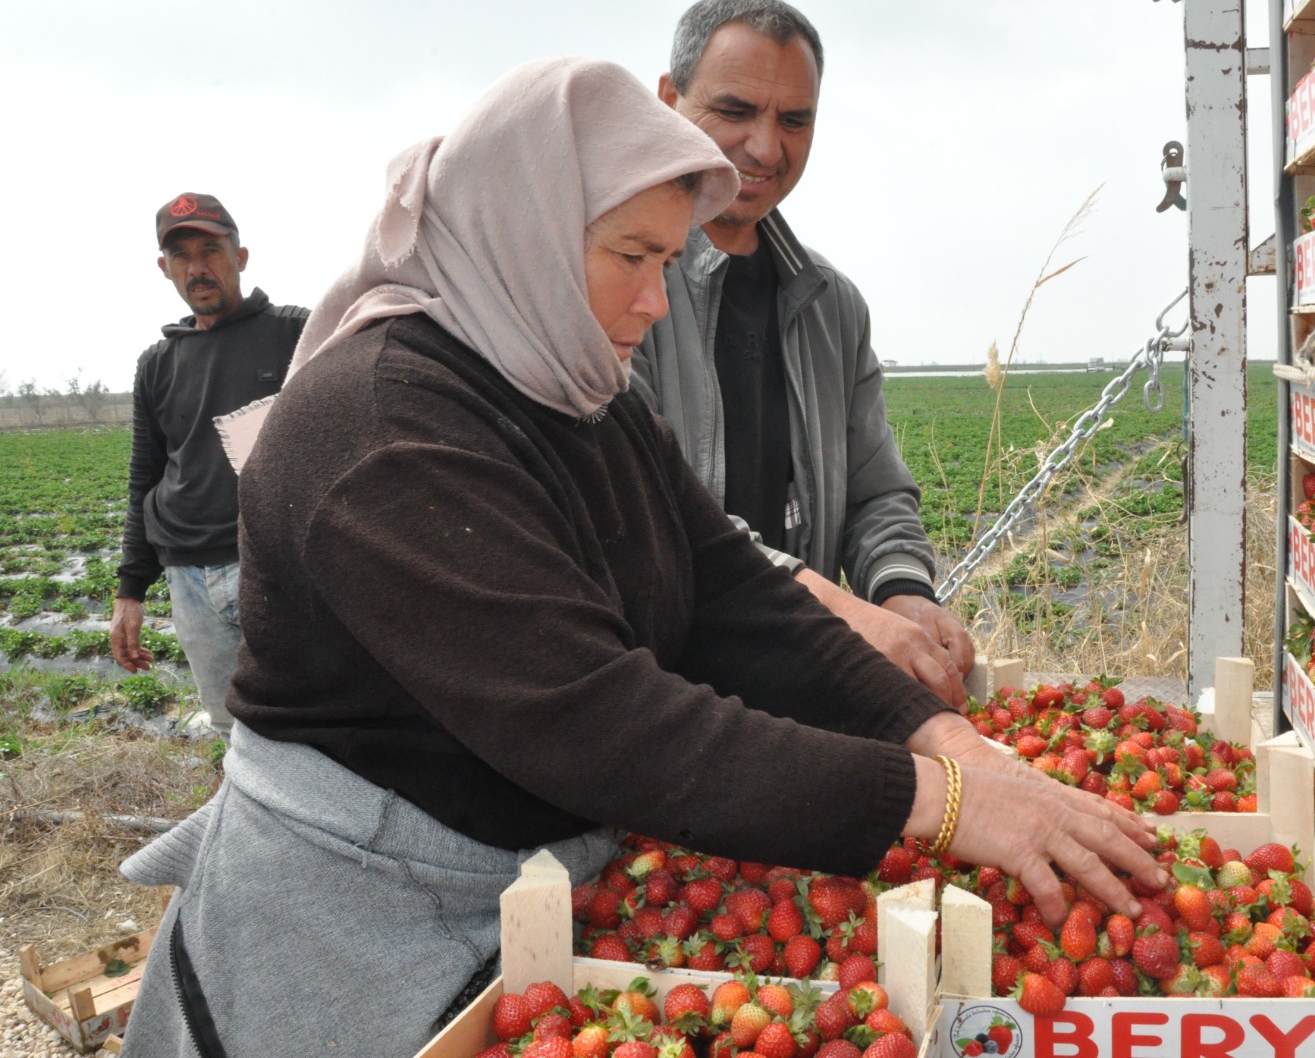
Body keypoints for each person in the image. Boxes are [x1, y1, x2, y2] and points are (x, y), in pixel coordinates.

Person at [116, 58, 1167, 1056]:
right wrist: (942, 804)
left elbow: (727, 588)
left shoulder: (574, 385)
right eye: (631, 256)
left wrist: (941, 734)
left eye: (668, 261)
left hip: (522, 876)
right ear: (518, 233)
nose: (657, 301)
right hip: (366, 912)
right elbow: (601, 719)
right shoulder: (384, 426)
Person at [633, 0, 976, 709]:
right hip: (660, 702)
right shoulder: (625, 284)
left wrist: (902, 590)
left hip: (795, 695)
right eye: (734, 111)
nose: (766, 147)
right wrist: (837, 610)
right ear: (668, 100)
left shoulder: (830, 304)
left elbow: (874, 491)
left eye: (795, 120)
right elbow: (652, 510)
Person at [111, 194, 307, 734]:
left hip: (273, 568)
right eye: (181, 255)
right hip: (187, 579)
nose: (197, 267)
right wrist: (130, 591)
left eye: (210, 249)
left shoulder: (297, 334)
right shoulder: (157, 363)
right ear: (165, 268)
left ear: (240, 256)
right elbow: (144, 478)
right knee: (230, 729)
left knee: (310, 721)